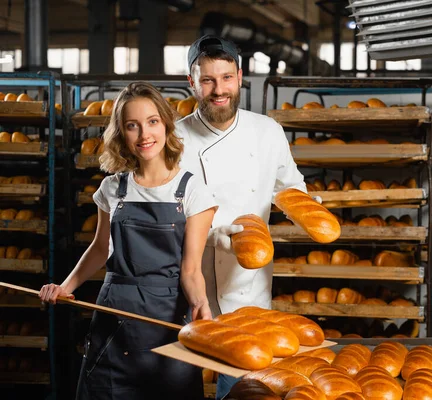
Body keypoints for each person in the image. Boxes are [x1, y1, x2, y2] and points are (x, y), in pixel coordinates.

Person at [39, 82, 217, 400]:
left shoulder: (193, 191)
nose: (144, 135)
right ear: (122, 133)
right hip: (113, 320)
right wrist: (66, 287)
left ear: (165, 124)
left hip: (168, 322)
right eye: (132, 126)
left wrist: (200, 304)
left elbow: (191, 270)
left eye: (151, 122)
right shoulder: (113, 188)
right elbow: (98, 249)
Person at [176, 35, 311, 399]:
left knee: (242, 385)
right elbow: (161, 214)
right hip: (189, 281)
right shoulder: (174, 139)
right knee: (178, 377)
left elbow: (291, 185)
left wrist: (308, 208)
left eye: (226, 78)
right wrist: (212, 235)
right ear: (191, 82)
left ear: (240, 75)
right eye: (207, 80)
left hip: (249, 283)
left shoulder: (268, 132)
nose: (218, 90)